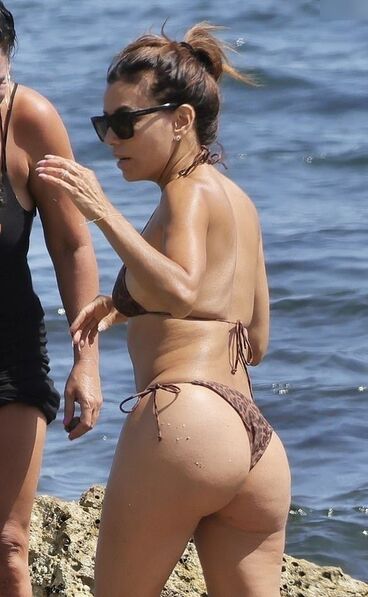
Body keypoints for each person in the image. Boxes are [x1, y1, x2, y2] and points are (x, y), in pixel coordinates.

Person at [37, 22, 291, 597]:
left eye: (125, 122)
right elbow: (255, 338)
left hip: (184, 421)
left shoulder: (185, 192)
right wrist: (125, 304)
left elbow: (181, 290)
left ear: (181, 120)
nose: (111, 138)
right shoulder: (239, 202)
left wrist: (102, 211)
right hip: (255, 443)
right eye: (104, 124)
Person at [0, 4, 102, 596]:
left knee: (8, 546)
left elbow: (71, 244)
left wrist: (86, 360)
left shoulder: (28, 119)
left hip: (8, 355)